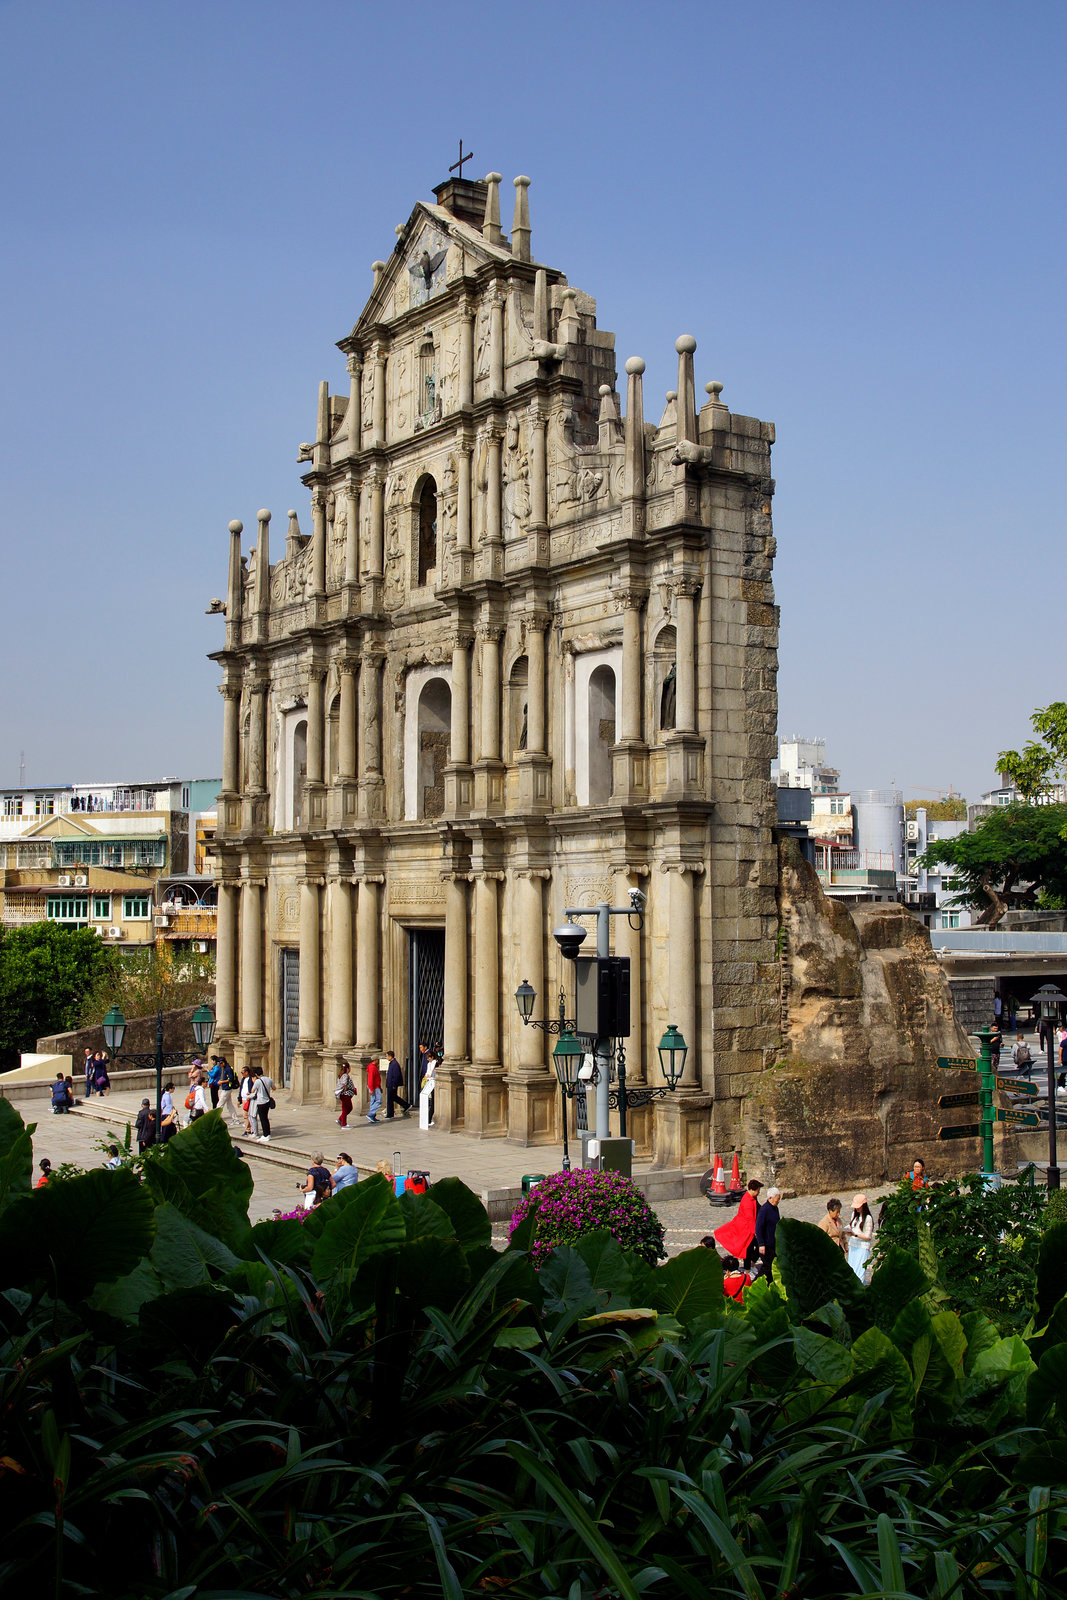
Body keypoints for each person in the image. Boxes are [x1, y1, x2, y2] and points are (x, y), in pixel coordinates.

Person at [713, 1179, 762, 1264]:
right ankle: (749, 1267)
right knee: (749, 1248)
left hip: (747, 1227)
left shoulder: (751, 1197)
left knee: (750, 1247)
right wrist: (756, 1232)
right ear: (752, 1190)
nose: (758, 1193)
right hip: (746, 1229)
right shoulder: (748, 1203)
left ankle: (751, 1264)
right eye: (758, 1191)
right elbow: (749, 1219)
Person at [846, 1194, 875, 1280]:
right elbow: (852, 1226)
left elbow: (868, 1237)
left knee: (859, 1271)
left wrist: (856, 1235)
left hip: (862, 1247)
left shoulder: (868, 1218)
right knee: (852, 1270)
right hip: (853, 1246)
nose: (857, 1209)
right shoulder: (854, 1215)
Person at [754, 1186, 781, 1275]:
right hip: (766, 1244)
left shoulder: (775, 1208)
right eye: (777, 1199)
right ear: (770, 1198)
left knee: (773, 1266)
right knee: (767, 1266)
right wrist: (761, 1244)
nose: (778, 1201)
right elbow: (758, 1227)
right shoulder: (764, 1210)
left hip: (774, 1243)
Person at [384, 1050, 409, 1119]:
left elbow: (396, 1075)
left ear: (390, 1056)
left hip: (392, 1085)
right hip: (390, 1084)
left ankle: (390, 1114)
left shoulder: (394, 1064)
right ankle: (405, 1105)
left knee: (390, 1099)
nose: (386, 1058)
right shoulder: (392, 1063)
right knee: (393, 1097)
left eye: (387, 1056)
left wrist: (394, 1085)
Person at [251, 1066, 274, 1141]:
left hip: (261, 1102)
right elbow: (274, 1088)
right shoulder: (269, 1079)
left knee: (262, 1118)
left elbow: (252, 1091)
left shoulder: (257, 1081)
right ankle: (267, 1133)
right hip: (267, 1101)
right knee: (266, 1118)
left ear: (256, 1074)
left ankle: (266, 1134)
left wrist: (254, 1081)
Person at [217, 1057, 240, 1124]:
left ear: (223, 1063)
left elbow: (231, 1079)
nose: (220, 1066)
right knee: (229, 1105)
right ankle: (235, 1119)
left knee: (219, 1105)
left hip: (227, 1089)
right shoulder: (225, 1068)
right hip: (226, 1088)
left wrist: (222, 1082)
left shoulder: (228, 1069)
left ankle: (218, 1119)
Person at [418, 1047, 437, 1130]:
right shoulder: (429, 1063)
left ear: (432, 1057)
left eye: (429, 1058)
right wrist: (426, 1076)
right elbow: (428, 1071)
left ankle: (429, 1118)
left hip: (433, 1082)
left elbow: (432, 1071)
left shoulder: (435, 1062)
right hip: (429, 1082)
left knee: (433, 1102)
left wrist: (429, 1075)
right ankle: (427, 1119)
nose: (428, 1059)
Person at [335, 1061, 356, 1128]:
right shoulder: (345, 1075)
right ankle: (343, 1124)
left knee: (347, 1108)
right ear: (347, 1069)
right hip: (345, 1094)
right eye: (349, 1068)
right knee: (346, 1108)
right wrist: (346, 1088)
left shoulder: (341, 1075)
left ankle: (340, 1119)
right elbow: (344, 1084)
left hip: (345, 1094)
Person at [238, 1066, 255, 1135]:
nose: (241, 1074)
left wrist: (250, 1093)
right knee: (245, 1115)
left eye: (242, 1072)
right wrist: (239, 1100)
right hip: (243, 1099)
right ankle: (248, 1129)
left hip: (249, 1099)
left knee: (248, 1115)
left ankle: (250, 1129)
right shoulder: (243, 1079)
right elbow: (241, 1089)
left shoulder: (251, 1079)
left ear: (246, 1072)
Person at [365, 1056, 382, 1123]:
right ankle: (371, 1114)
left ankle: (372, 1116)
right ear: (375, 1060)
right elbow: (370, 1079)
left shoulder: (373, 1067)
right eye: (378, 1060)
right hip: (374, 1087)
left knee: (373, 1101)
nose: (379, 1061)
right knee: (378, 1100)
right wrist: (371, 1089)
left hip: (375, 1086)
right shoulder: (372, 1068)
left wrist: (380, 1087)